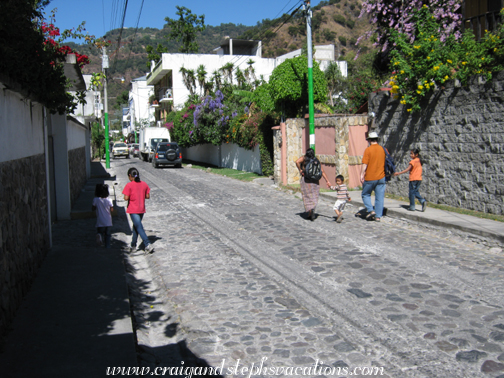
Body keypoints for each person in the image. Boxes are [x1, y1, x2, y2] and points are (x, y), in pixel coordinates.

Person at [122, 167, 154, 253]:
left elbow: (126, 198)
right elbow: (147, 196)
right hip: (141, 209)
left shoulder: (129, 185)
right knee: (136, 226)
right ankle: (133, 245)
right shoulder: (144, 184)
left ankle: (147, 244)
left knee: (139, 226)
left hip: (133, 209)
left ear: (130, 176)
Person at [295, 148, 332, 221]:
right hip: (315, 181)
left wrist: (300, 170)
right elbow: (322, 171)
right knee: (314, 195)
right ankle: (312, 209)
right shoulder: (316, 160)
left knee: (307, 195)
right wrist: (327, 181)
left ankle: (309, 210)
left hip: (306, 180)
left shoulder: (304, 158)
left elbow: (297, 162)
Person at [360, 131, 386, 222]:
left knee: (365, 194)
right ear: (377, 140)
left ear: (369, 140)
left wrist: (361, 174)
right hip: (381, 177)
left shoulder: (368, 150)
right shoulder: (382, 149)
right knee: (380, 197)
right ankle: (378, 216)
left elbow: (364, 164)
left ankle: (371, 211)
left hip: (370, 177)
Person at [92, 184, 113, 248]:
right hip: (108, 220)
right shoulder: (109, 200)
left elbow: (93, 208)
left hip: (100, 220)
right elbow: (111, 210)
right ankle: (107, 246)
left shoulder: (96, 200)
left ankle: (99, 235)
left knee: (100, 231)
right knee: (108, 234)